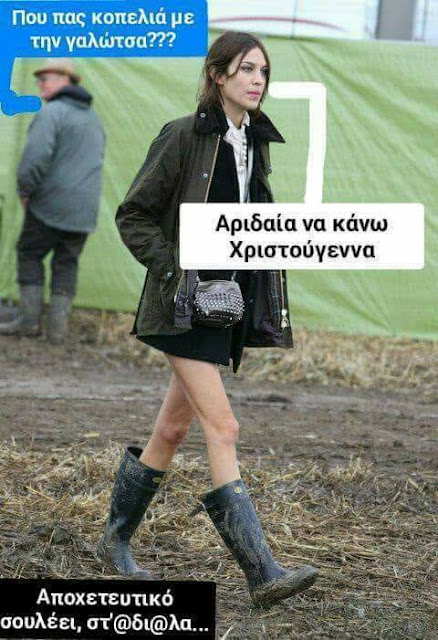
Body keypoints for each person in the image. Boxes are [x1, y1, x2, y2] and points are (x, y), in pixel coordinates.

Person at [98, 32, 318, 608]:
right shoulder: (182, 135)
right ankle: (262, 573)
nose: (257, 80)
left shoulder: (255, 144)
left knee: (172, 432)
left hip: (224, 309)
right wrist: (176, 272)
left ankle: (114, 542)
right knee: (224, 428)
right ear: (218, 75)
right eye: (245, 69)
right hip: (181, 307)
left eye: (263, 71)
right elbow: (133, 214)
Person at [0, 59, 105, 343]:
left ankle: (29, 323)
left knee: (29, 253)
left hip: (49, 205)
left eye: (46, 78)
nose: (40, 84)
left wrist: (25, 191)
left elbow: (34, 160)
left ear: (66, 80)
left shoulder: (51, 113)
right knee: (66, 263)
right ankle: (57, 331)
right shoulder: (93, 119)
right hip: (85, 211)